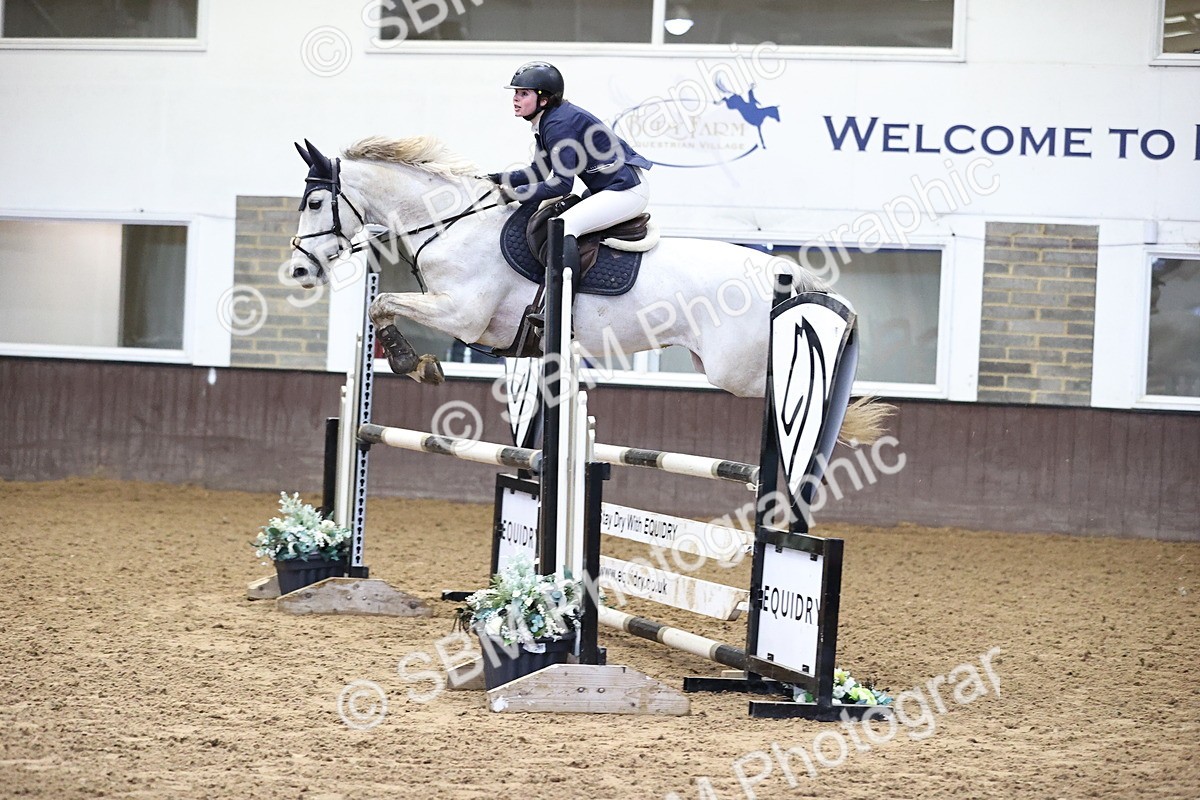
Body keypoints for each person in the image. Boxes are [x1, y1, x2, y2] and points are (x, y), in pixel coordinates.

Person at [488, 60, 652, 257]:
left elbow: (562, 184)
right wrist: (495, 179)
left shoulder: (558, 124)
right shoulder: (548, 121)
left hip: (626, 191)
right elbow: (537, 172)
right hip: (612, 188)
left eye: (524, 94)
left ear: (543, 100)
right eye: (515, 93)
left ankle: (561, 289)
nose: (515, 99)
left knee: (562, 228)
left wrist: (516, 193)